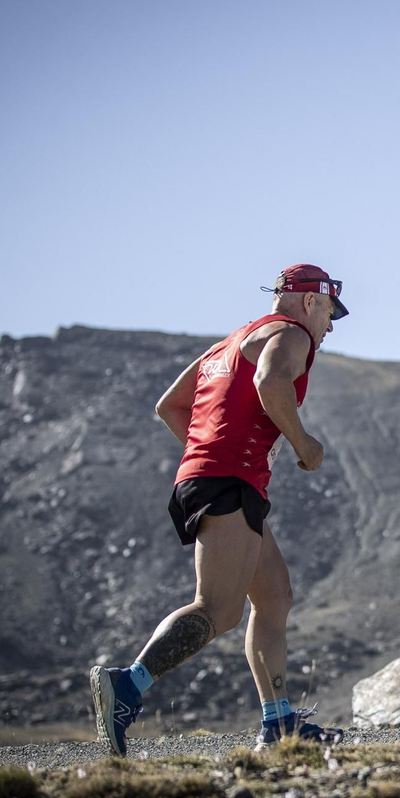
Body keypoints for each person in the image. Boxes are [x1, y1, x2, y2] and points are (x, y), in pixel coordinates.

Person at [88, 263, 349, 756]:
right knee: (219, 609)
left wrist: (209, 451)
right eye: (331, 312)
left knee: (274, 597)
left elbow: (170, 406)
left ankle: (279, 724)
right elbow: (272, 384)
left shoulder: (229, 343)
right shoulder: (292, 335)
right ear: (310, 301)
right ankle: (127, 685)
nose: (330, 326)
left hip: (220, 477)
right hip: (229, 480)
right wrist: (304, 444)